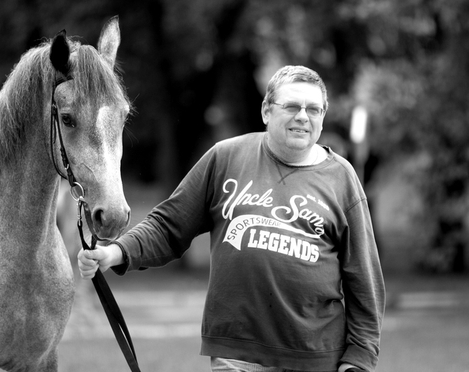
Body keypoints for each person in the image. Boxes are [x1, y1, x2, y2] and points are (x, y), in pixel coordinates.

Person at [78, 65, 385, 372]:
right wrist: (114, 252)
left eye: (314, 109)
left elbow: (364, 278)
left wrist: (359, 358)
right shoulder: (225, 158)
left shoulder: (342, 178)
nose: (303, 116)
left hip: (315, 356)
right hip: (237, 353)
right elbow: (169, 226)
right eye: (291, 106)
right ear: (266, 110)